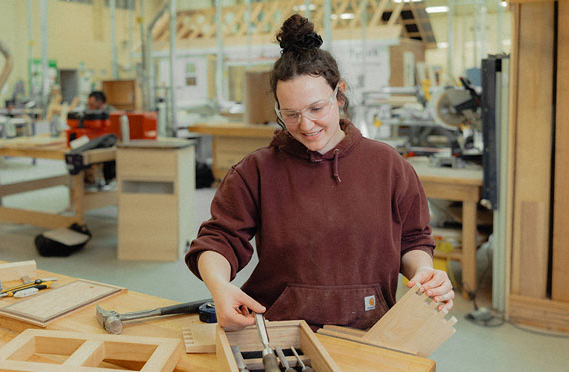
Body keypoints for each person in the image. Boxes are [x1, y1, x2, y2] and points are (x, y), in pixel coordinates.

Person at [184, 14, 454, 332]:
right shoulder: (256, 171)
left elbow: (413, 239)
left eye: (316, 109)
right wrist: (219, 286)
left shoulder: (388, 165)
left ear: (338, 95)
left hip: (371, 330)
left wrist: (423, 272)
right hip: (280, 334)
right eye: (291, 114)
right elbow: (219, 241)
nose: (306, 125)